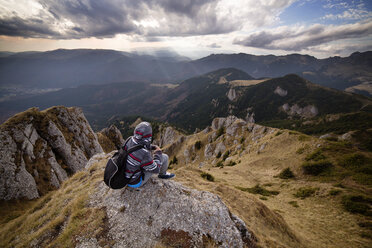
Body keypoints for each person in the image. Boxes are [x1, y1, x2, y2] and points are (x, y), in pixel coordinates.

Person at [124, 121, 175, 188]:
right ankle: (162, 174)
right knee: (165, 157)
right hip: (134, 182)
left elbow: (138, 145)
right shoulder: (144, 153)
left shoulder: (130, 139)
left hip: (125, 175)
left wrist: (150, 147)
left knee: (145, 162)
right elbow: (156, 169)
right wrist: (158, 153)